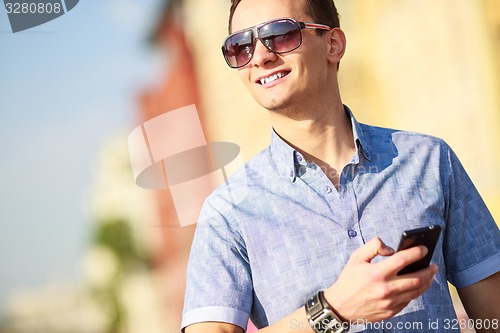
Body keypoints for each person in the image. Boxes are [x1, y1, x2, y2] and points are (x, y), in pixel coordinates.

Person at [181, 0, 500, 332]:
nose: (260, 57)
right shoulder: (228, 212)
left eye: (280, 34)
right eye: (240, 46)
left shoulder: (430, 161)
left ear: (333, 44)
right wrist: (333, 310)